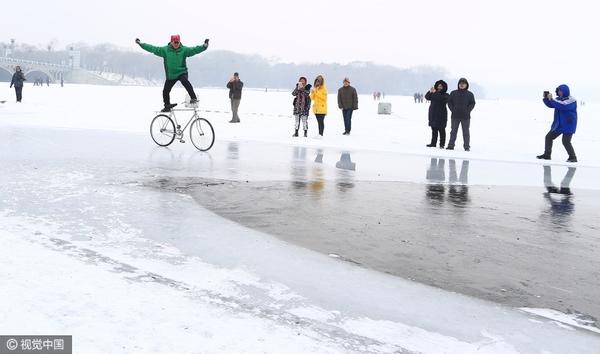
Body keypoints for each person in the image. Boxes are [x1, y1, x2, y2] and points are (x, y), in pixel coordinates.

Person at [136, 35, 209, 112]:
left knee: (185, 81)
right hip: (171, 75)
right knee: (165, 91)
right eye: (175, 42)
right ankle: (167, 106)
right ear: (171, 42)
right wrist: (141, 44)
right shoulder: (164, 50)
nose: (176, 44)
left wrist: (204, 46)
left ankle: (193, 98)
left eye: (178, 42)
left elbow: (194, 50)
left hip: (182, 72)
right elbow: (152, 48)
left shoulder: (184, 50)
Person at [536, 85, 578, 162]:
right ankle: (547, 155)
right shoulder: (558, 99)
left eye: (560, 91)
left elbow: (562, 106)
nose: (559, 92)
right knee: (548, 137)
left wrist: (551, 99)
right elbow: (552, 104)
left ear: (565, 91)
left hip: (568, 124)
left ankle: (573, 157)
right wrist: (546, 98)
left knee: (565, 141)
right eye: (558, 91)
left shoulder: (572, 100)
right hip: (559, 124)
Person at [446, 78, 476, 151]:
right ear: (458, 84)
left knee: (466, 132)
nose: (462, 85)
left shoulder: (470, 94)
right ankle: (451, 145)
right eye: (460, 84)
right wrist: (453, 109)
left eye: (463, 84)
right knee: (453, 131)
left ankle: (466, 146)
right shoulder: (453, 93)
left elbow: (473, 103)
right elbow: (449, 102)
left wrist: (468, 110)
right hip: (455, 116)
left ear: (466, 85)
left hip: (466, 117)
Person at [425, 80, 449, 148]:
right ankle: (433, 143)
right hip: (433, 113)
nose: (439, 87)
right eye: (438, 86)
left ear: (444, 87)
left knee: (442, 130)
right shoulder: (433, 93)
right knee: (434, 130)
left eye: (441, 86)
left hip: (442, 114)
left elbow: (441, 99)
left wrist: (435, 92)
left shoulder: (446, 95)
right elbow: (427, 97)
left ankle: (442, 144)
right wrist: (430, 91)